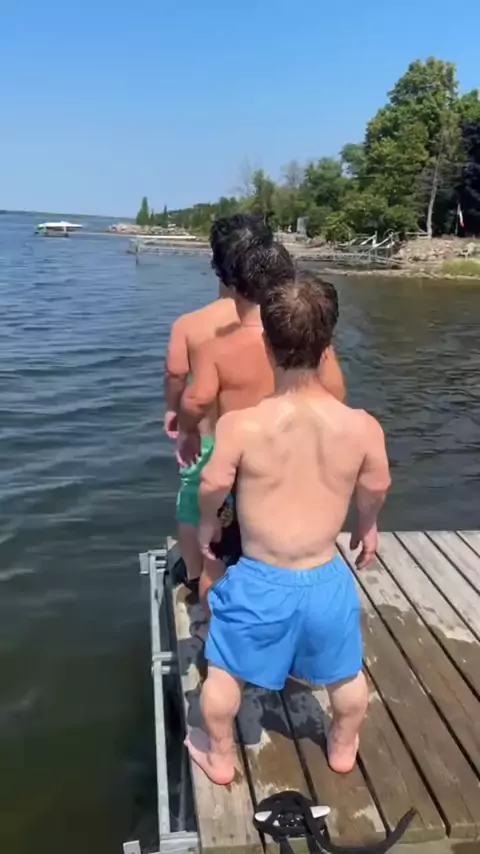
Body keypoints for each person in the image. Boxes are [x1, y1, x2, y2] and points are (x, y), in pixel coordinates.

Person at [185, 270, 390, 786]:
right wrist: (367, 525)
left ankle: (220, 756)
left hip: (258, 580)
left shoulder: (241, 425)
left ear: (267, 344)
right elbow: (376, 484)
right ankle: (343, 744)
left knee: (223, 673)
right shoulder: (362, 426)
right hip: (325, 577)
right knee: (345, 676)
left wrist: (208, 524)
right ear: (328, 345)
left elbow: (212, 482)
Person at [177, 229, 346, 596]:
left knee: (219, 557)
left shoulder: (218, 347)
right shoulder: (316, 348)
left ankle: (215, 617)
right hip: (296, 459)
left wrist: (187, 431)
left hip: (243, 467)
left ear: (233, 287)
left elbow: (196, 399)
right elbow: (337, 395)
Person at [164, 215, 270, 582]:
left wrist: (175, 412)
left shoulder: (190, 324)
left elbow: (175, 375)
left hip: (213, 437)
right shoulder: (283, 320)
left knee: (193, 501)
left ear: (216, 263)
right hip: (270, 440)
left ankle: (196, 578)